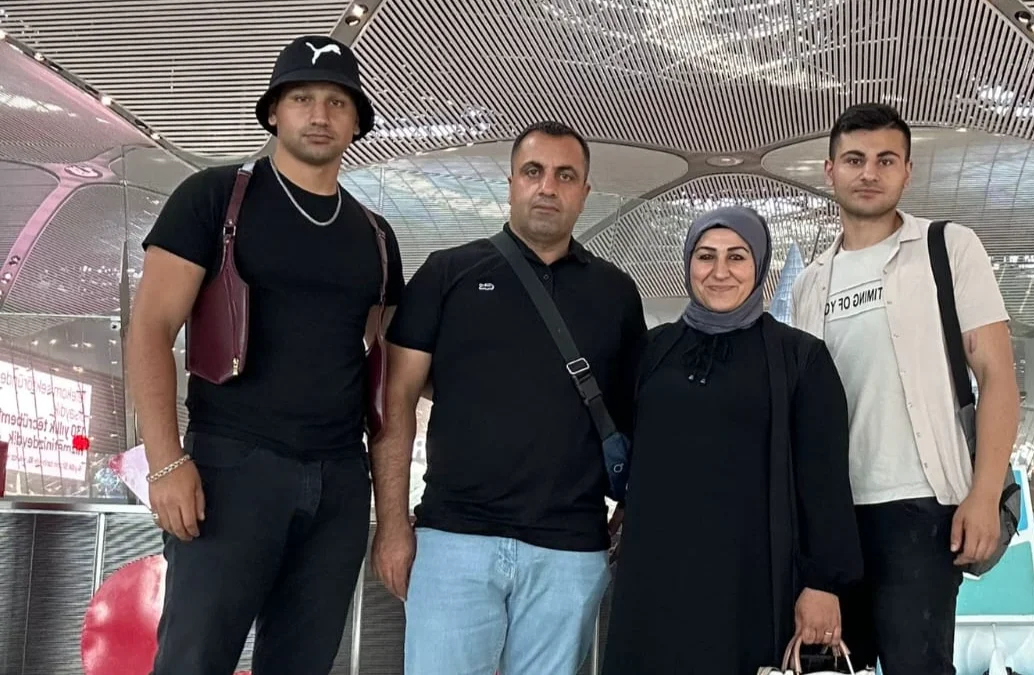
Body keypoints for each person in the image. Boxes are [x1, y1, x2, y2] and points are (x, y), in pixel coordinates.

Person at [127, 35, 404, 675]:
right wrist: (165, 461)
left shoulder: (375, 235)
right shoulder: (215, 198)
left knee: (304, 662)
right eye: (302, 98)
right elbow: (150, 328)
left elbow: (391, 363)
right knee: (194, 660)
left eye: (337, 102)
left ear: (357, 122)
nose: (319, 114)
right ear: (274, 111)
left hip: (339, 477)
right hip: (231, 467)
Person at [371, 120, 647, 675]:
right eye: (533, 171)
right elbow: (393, 402)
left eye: (565, 176)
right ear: (512, 182)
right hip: (454, 540)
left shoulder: (616, 293)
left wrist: (632, 508)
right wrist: (393, 525)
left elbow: (636, 415)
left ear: (584, 192)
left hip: (569, 549)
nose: (548, 187)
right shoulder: (448, 273)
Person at [790, 103, 1020, 675]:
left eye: (885, 160)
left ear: (907, 172)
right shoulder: (810, 283)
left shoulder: (948, 248)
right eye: (854, 160)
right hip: (834, 515)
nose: (869, 173)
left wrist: (983, 494)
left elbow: (997, 376)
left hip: (921, 507)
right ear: (830, 171)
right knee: (826, 667)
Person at [601, 206, 863, 674]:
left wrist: (823, 582)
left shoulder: (799, 359)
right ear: (688, 263)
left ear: (759, 266)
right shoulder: (652, 351)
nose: (719, 271)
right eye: (706, 256)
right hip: (653, 578)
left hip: (753, 579)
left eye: (736, 257)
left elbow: (824, 483)